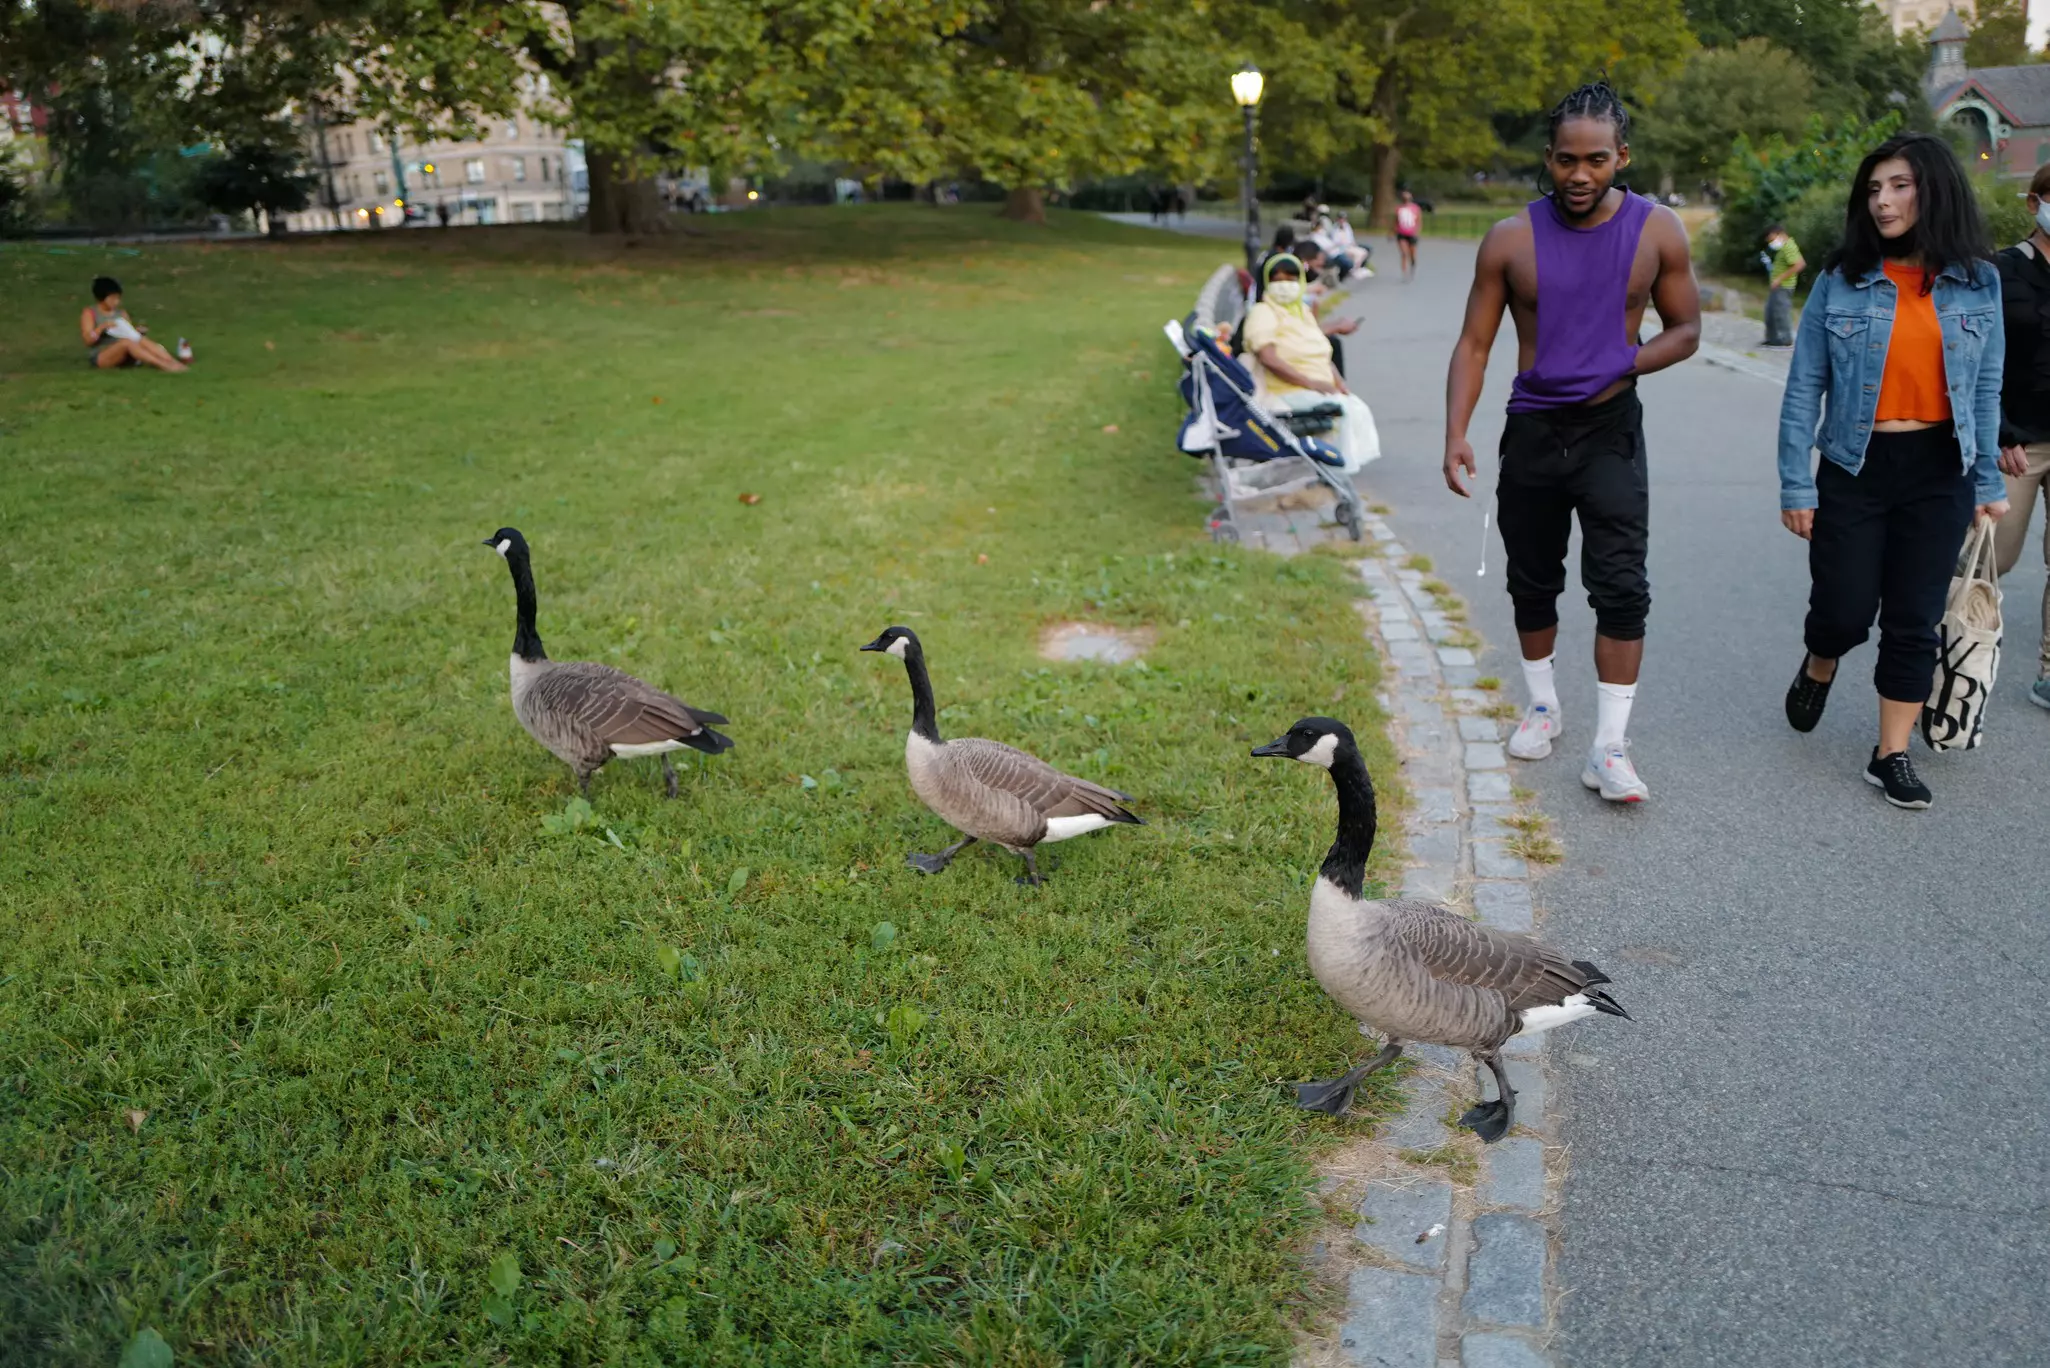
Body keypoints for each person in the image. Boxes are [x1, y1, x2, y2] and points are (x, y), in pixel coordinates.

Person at [1444, 80, 1701, 803]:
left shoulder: (1659, 231)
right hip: (1532, 429)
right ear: (1549, 159)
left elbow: (1686, 331)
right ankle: (1543, 705)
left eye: (1595, 159)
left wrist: (1625, 359)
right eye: (1565, 160)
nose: (1579, 175)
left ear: (1622, 156)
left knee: (1621, 585)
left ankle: (1610, 748)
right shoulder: (1509, 238)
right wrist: (1455, 432)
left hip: (1611, 430)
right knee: (1534, 576)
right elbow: (1474, 343)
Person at [1778, 131, 2008, 809]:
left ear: (1933, 189)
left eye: (1899, 186)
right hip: (1856, 464)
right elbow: (1802, 389)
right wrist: (1797, 481)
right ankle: (1822, 661)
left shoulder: (1978, 280)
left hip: (1942, 468)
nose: (1883, 201)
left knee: (1912, 619)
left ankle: (1892, 753)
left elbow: (1988, 387)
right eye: (1874, 188)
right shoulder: (1840, 280)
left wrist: (1988, 483)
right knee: (1844, 609)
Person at [1991, 163, 2050, 711]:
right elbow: (1980, 359)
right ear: (2035, 204)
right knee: (1992, 556)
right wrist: (2000, 429)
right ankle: (1959, 645)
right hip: (2018, 442)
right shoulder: (2001, 270)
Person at [1243, 253, 1379, 476]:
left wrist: (1338, 381)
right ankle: (1335, 475)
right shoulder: (1263, 313)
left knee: (1356, 407)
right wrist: (1311, 383)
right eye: (1278, 280)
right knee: (1343, 411)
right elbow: (1268, 358)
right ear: (1267, 283)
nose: (1285, 286)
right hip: (1286, 390)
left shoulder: (1302, 311)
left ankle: (1336, 471)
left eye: (1291, 279)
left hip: (1315, 385)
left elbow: (1319, 350)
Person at [81, 277, 186, 373]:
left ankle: (171, 361)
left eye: (118, 298)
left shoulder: (121, 313)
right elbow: (88, 340)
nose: (116, 302)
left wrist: (137, 331)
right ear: (102, 298)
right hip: (103, 354)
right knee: (126, 343)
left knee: (141, 339)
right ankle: (162, 365)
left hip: (126, 352)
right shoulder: (90, 313)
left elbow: (129, 333)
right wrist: (102, 327)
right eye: (113, 298)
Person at [1762, 223, 1804, 347]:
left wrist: (1779, 279)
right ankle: (1773, 338)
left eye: (1771, 239)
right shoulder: (1784, 248)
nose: (1770, 242)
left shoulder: (1789, 247)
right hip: (1777, 286)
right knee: (1771, 312)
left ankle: (1785, 339)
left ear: (1778, 234)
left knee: (1781, 313)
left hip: (1784, 286)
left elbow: (1799, 264)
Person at [1394, 190, 1424, 281]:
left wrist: (1417, 231)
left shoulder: (1415, 208)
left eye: (1407, 198)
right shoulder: (1398, 209)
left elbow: (1419, 221)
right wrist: (1393, 231)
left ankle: (1412, 265)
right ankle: (1404, 272)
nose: (1406, 200)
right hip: (1401, 233)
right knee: (1404, 253)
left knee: (1412, 254)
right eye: (1404, 198)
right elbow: (1396, 221)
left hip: (1412, 234)